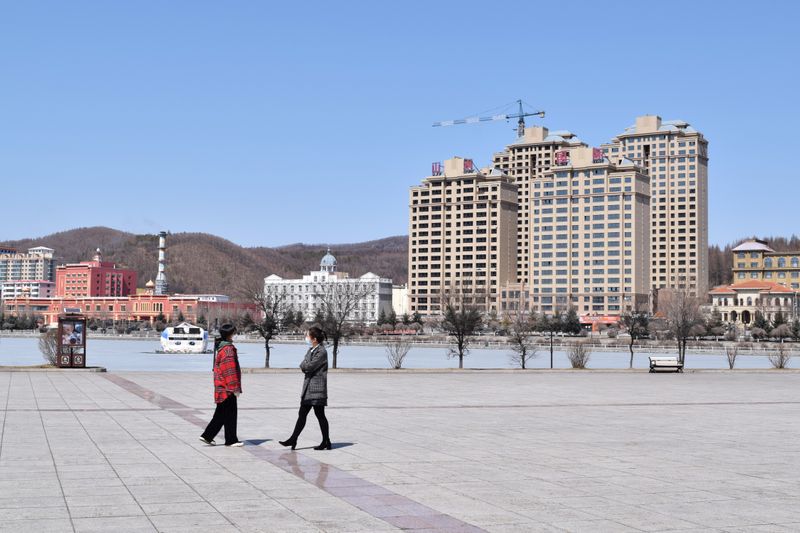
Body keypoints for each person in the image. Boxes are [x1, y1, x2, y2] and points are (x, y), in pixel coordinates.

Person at [280, 326, 331, 450]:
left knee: (320, 415)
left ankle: (326, 441)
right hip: (308, 388)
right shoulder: (311, 350)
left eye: (308, 336)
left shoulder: (321, 351)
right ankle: (294, 439)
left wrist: (305, 365)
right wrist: (305, 365)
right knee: (302, 413)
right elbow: (303, 364)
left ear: (314, 339)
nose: (306, 338)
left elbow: (309, 366)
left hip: (317, 389)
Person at [200, 323, 243, 447]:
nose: (235, 335)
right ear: (230, 334)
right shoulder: (228, 349)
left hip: (221, 386)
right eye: (234, 333)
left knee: (222, 413)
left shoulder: (221, 347)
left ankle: (209, 436)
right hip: (226, 388)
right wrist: (234, 388)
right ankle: (229, 439)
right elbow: (230, 370)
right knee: (229, 413)